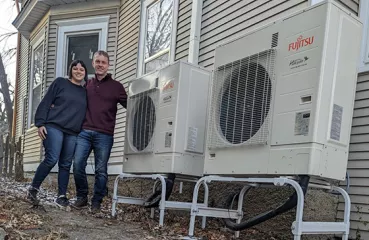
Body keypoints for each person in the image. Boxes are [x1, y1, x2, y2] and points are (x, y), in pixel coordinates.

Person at [27, 60, 88, 207]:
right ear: (70, 70)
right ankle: (33, 189)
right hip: (54, 126)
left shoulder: (85, 92)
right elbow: (47, 102)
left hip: (72, 132)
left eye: (81, 69)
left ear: (85, 73)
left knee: (66, 164)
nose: (78, 71)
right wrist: (40, 123)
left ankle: (61, 196)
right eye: (75, 68)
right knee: (52, 158)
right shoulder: (60, 83)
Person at [72, 50, 127, 212]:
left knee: (101, 170)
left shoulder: (117, 87)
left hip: (105, 134)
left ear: (108, 65)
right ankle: (82, 197)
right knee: (78, 165)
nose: (100, 65)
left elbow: (132, 105)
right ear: (93, 63)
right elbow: (72, 100)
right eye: (97, 61)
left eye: (103, 62)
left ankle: (97, 201)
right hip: (84, 131)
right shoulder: (86, 84)